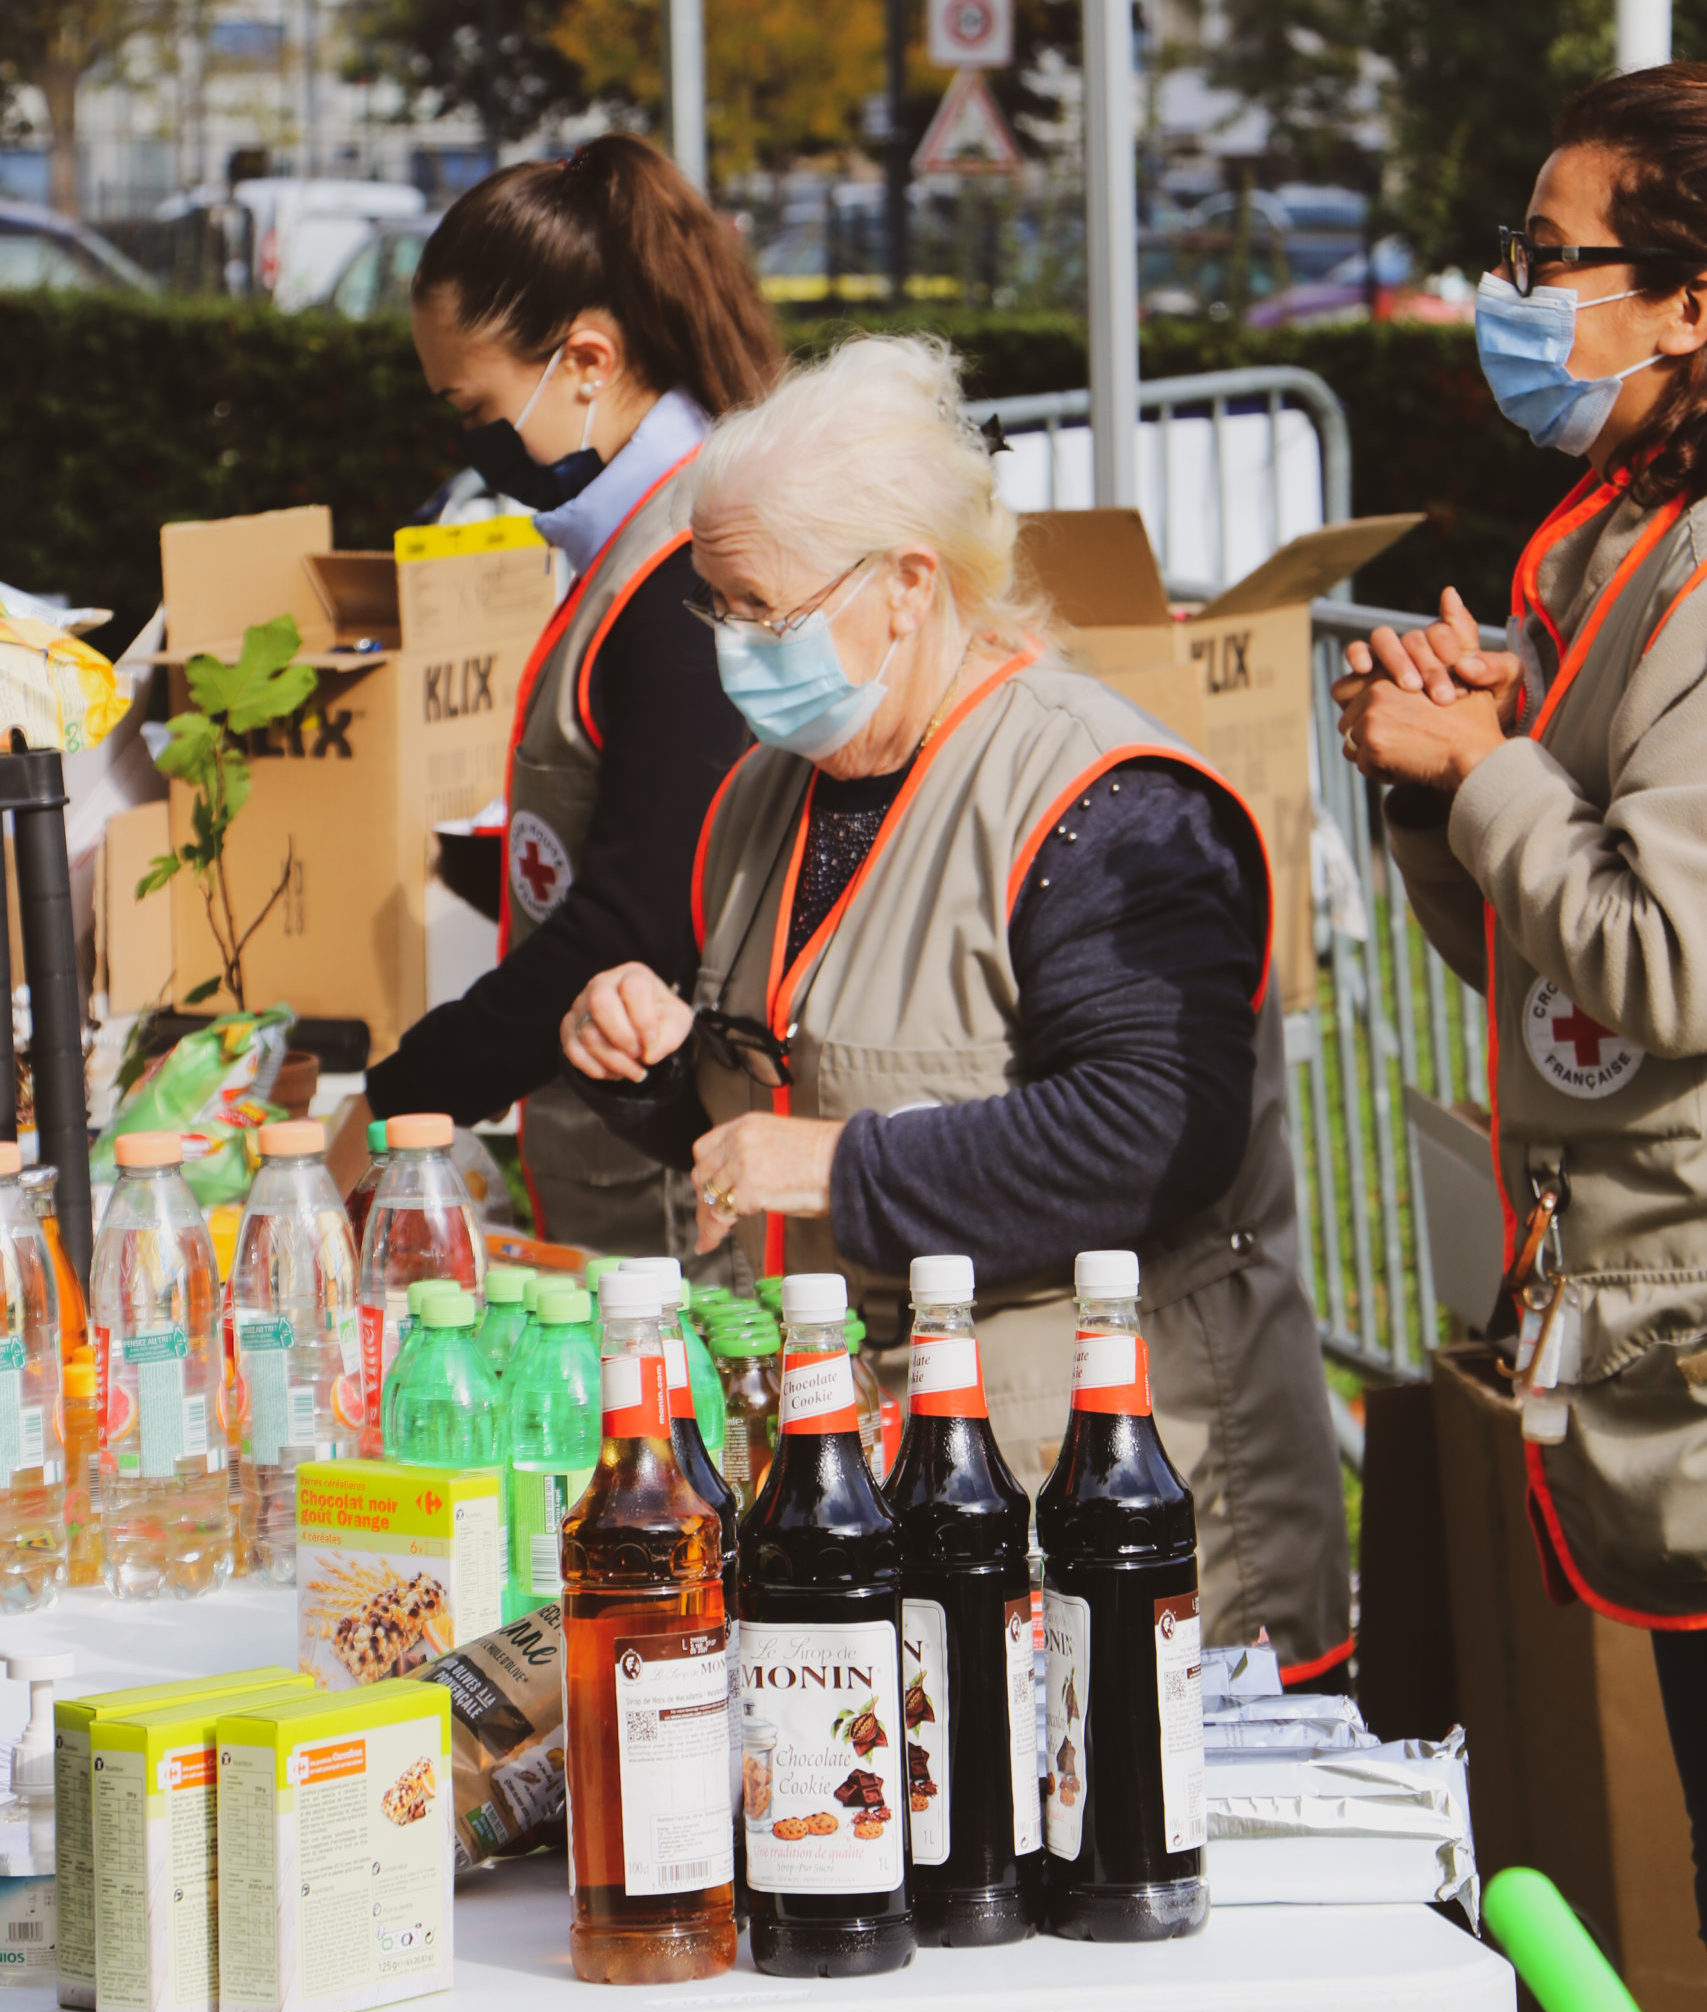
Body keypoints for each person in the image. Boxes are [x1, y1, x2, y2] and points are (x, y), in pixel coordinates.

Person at [561, 334, 1351, 1682]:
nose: (733, 649)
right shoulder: (775, 786)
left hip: (1116, 1527)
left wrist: (840, 1166)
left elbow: (1157, 1129)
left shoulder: (1100, 797)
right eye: (715, 607)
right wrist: (648, 1058)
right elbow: (785, 1081)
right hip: (893, 1499)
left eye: (763, 610)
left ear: (907, 585)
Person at [1331, 64, 1707, 1936]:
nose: (1509, 294)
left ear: (1687, 303)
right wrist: (1443, 784)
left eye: (1547, 259)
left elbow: (1665, 958)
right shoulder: (1620, 536)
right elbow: (1549, 970)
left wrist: (1483, 766)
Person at [328, 137, 778, 1252]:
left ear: (585, 360)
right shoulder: (644, 542)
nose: (473, 441)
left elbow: (639, 915)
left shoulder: (686, 574)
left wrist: (397, 1103)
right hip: (627, 1158)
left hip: (673, 1189)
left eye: (473, 404)